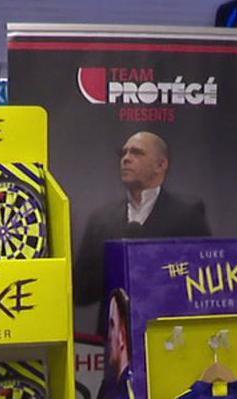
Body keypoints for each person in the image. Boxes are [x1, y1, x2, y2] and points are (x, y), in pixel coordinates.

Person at [74, 131, 211, 307]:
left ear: (161, 165)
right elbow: (81, 293)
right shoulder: (101, 219)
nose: (126, 159)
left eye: (136, 153)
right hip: (115, 331)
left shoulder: (187, 214)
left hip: (165, 328)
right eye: (123, 153)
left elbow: (203, 280)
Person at [97, 289, 134, 399]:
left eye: (112, 325)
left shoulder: (131, 389)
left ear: (122, 335)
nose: (108, 335)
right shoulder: (107, 387)